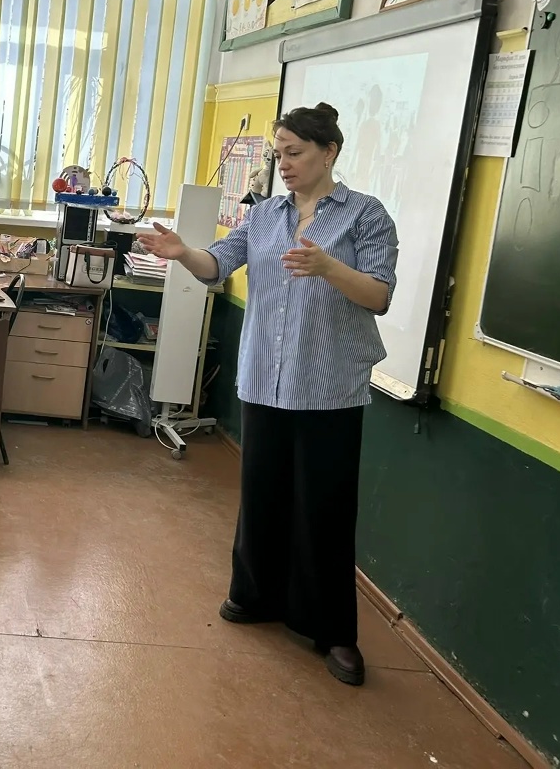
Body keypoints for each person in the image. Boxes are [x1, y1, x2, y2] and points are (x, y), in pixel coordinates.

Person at [139, 102, 398, 688]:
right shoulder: (263, 216)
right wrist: (183, 253)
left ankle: (333, 630)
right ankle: (255, 595)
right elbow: (218, 264)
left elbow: (379, 296)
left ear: (329, 152)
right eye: (278, 153)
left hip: (330, 388)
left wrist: (329, 267)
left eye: (295, 152)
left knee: (324, 510)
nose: (284, 163)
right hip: (264, 380)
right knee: (262, 495)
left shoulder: (365, 215)